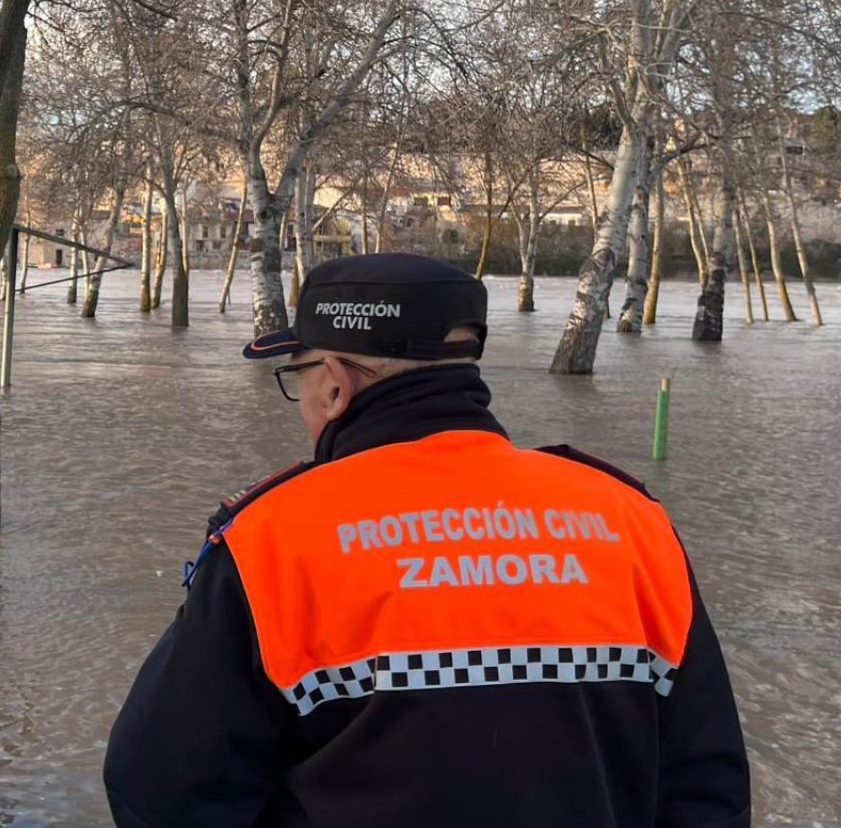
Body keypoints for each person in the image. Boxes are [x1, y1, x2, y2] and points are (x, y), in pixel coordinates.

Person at [104, 254, 749, 828]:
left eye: (295, 375)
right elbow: (709, 785)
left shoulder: (271, 540)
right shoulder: (631, 520)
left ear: (334, 383)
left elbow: (158, 789)